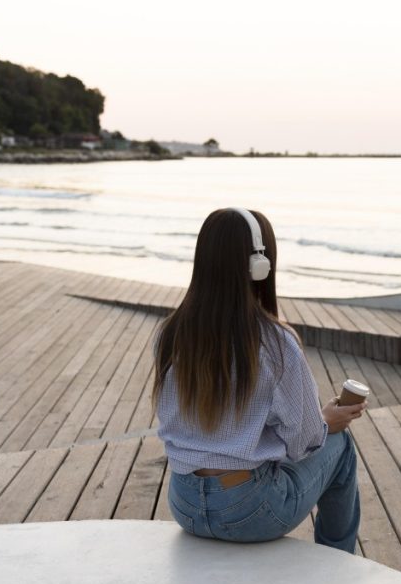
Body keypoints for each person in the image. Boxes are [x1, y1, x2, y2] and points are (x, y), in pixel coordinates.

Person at [152, 207, 364, 553]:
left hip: (185, 504)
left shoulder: (170, 334)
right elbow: (306, 442)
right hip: (250, 511)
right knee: (339, 447)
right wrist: (327, 420)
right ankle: (338, 561)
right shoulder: (276, 344)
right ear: (259, 265)